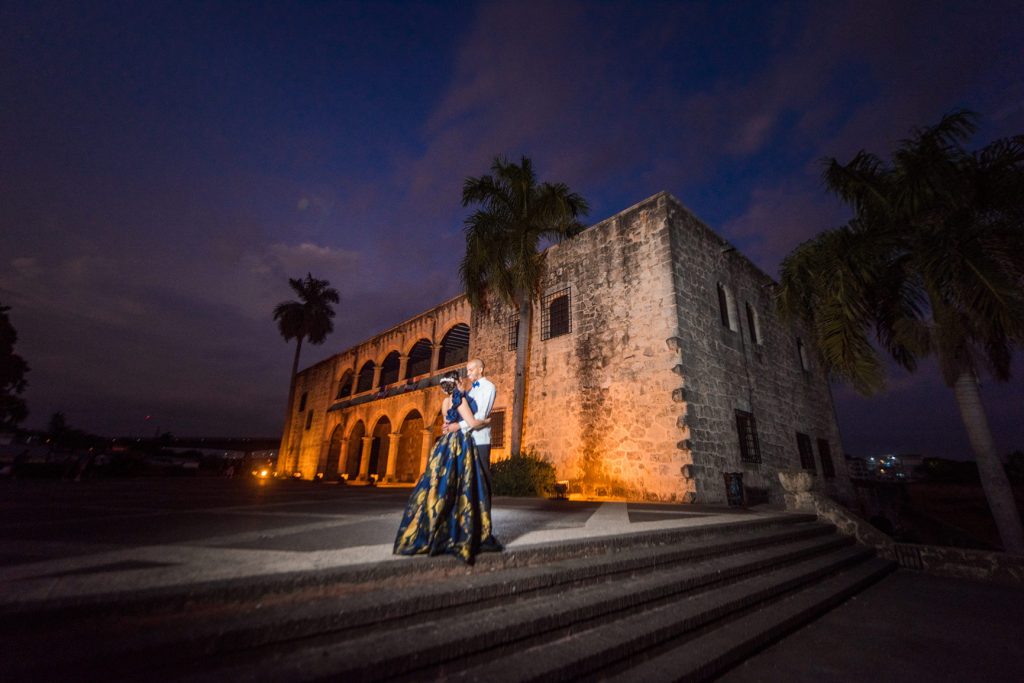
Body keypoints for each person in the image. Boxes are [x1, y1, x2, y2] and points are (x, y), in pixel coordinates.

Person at [393, 371, 501, 564]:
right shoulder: (461, 400)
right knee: (463, 485)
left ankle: (434, 527)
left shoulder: (445, 403)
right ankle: (458, 529)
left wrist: (452, 425)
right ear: (458, 382)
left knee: (441, 485)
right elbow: (472, 422)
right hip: (461, 444)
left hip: (444, 445)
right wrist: (485, 421)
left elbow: (446, 424)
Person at [443, 358, 496, 481]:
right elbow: (465, 413)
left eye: (471, 370)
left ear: (480, 369)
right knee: (469, 480)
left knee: (482, 478)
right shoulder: (470, 390)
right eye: (467, 370)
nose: (468, 373)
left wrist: (458, 426)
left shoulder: (489, 387)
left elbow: (481, 416)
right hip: (466, 440)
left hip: (480, 440)